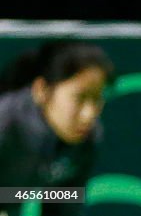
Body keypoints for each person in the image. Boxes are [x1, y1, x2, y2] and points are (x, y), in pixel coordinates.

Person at [0, 40, 115, 215]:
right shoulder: (5, 124)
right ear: (42, 90)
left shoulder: (88, 138)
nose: (89, 115)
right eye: (80, 98)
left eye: (97, 99)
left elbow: (63, 204)